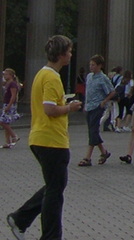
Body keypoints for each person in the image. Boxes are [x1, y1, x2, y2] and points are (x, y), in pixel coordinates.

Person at [7, 34, 83, 240]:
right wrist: (70, 107)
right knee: (55, 192)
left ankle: (20, 219)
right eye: (68, 51)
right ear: (60, 54)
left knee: (54, 187)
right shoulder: (51, 77)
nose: (70, 54)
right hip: (51, 140)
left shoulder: (42, 73)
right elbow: (49, 109)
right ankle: (50, 236)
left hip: (41, 138)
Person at [78, 54, 115, 166]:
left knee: (93, 130)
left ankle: (87, 157)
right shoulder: (89, 76)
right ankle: (104, 152)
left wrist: (104, 101)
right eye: (90, 65)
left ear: (100, 66)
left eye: (93, 65)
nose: (91, 67)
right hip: (89, 106)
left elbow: (112, 91)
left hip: (97, 107)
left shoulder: (103, 78)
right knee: (92, 130)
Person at [1, 68, 20, 148]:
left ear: (11, 75)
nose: (4, 76)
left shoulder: (12, 84)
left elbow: (13, 96)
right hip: (6, 103)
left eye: (6, 74)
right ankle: (8, 142)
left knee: (2, 121)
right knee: (6, 122)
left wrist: (8, 106)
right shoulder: (7, 83)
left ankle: (14, 136)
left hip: (10, 105)